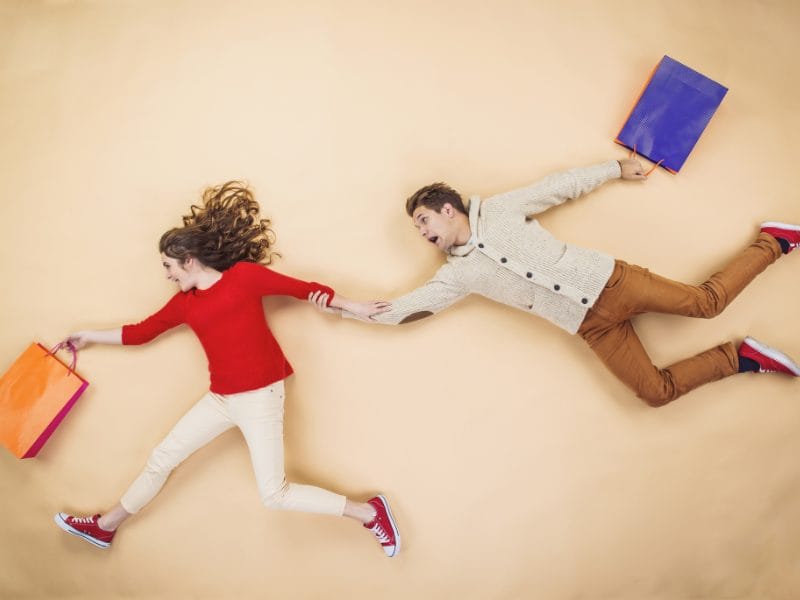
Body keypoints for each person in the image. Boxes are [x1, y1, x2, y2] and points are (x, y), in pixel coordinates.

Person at [53, 181, 400, 557]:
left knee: (274, 494)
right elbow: (140, 333)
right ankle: (105, 527)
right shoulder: (185, 303)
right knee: (161, 459)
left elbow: (304, 289)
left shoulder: (244, 278)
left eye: (168, 266)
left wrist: (354, 306)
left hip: (260, 399)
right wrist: (87, 336)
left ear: (188, 260)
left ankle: (370, 513)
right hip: (220, 400)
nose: (167, 275)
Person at [310, 158, 800, 406]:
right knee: (654, 392)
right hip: (591, 327)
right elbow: (408, 308)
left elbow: (556, 188)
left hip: (612, 283)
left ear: (447, 209)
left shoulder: (499, 210)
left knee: (706, 304)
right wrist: (346, 306)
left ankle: (774, 241)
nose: (422, 232)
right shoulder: (456, 274)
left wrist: (615, 169)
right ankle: (738, 358)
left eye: (423, 220)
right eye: (417, 228)